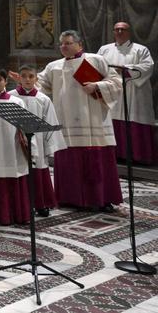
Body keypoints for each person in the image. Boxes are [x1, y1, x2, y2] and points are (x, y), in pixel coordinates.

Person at [39, 30, 123, 211]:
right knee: (69, 161)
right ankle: (69, 198)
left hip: (93, 121)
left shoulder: (95, 60)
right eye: (61, 44)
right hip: (66, 122)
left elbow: (116, 81)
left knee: (95, 161)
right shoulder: (53, 66)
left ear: (79, 44)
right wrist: (24, 82)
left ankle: (101, 199)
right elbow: (41, 85)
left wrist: (97, 86)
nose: (64, 46)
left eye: (68, 43)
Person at [98, 22, 155, 164]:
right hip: (111, 90)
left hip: (134, 92)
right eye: (117, 29)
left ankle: (137, 156)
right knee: (112, 118)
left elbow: (148, 67)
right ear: (113, 32)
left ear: (129, 32)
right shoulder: (104, 50)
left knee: (133, 118)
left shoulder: (141, 50)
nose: (119, 32)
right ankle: (114, 154)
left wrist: (125, 69)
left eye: (123, 29)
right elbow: (96, 66)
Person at [0, 68, 30, 225]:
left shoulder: (16, 101)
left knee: (13, 176)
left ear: (5, 81)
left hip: (12, 147)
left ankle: (16, 214)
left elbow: (24, 127)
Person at [15, 65, 64, 216]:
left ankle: (41, 203)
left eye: (31, 76)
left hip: (39, 140)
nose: (27, 79)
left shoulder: (43, 99)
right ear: (19, 78)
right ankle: (23, 204)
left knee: (38, 170)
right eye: (24, 76)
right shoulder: (12, 96)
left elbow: (50, 122)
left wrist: (49, 146)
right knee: (20, 170)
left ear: (36, 79)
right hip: (17, 141)